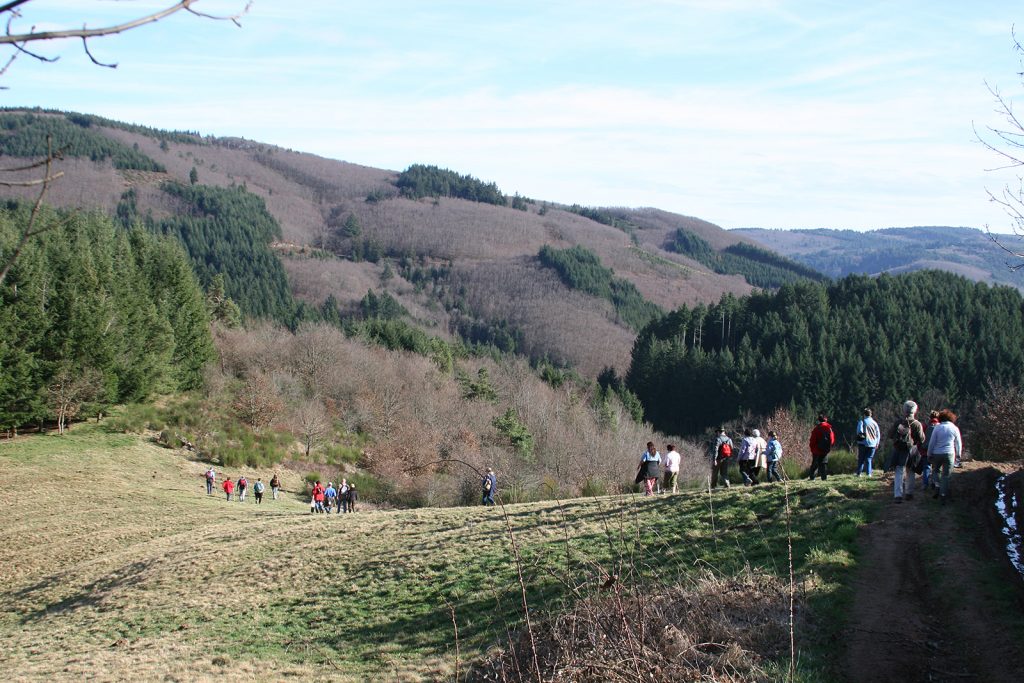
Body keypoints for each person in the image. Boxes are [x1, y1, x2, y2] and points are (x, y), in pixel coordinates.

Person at [888, 400, 926, 502]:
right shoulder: (917, 424)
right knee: (911, 471)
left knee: (899, 472)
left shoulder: (898, 422)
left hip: (899, 449)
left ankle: (898, 495)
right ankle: (909, 493)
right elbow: (922, 439)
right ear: (915, 410)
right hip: (912, 449)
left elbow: (890, 435)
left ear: (904, 410)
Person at [926, 409, 962, 505]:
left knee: (936, 470)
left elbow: (932, 442)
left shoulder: (937, 428)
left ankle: (937, 485)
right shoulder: (955, 428)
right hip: (949, 453)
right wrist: (958, 456)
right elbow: (958, 443)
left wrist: (929, 454)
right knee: (946, 475)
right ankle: (943, 494)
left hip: (937, 453)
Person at [807, 414, 835, 481]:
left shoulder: (816, 429)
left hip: (816, 449)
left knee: (815, 464)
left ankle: (812, 477)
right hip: (825, 449)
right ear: (826, 420)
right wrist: (828, 446)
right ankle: (824, 478)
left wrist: (812, 448)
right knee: (823, 464)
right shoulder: (829, 428)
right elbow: (832, 439)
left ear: (819, 420)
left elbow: (812, 440)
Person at [855, 408, 880, 477]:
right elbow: (878, 434)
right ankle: (869, 473)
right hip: (873, 443)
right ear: (871, 414)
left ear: (864, 414)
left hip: (863, 443)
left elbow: (859, 432)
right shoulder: (874, 423)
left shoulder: (862, 421)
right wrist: (877, 443)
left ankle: (859, 473)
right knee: (869, 458)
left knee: (861, 459)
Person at [921, 410, 940, 491]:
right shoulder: (940, 427)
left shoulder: (925, 426)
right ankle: (935, 483)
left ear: (930, 417)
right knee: (936, 468)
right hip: (937, 451)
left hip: (926, 450)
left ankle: (925, 484)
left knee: (926, 468)